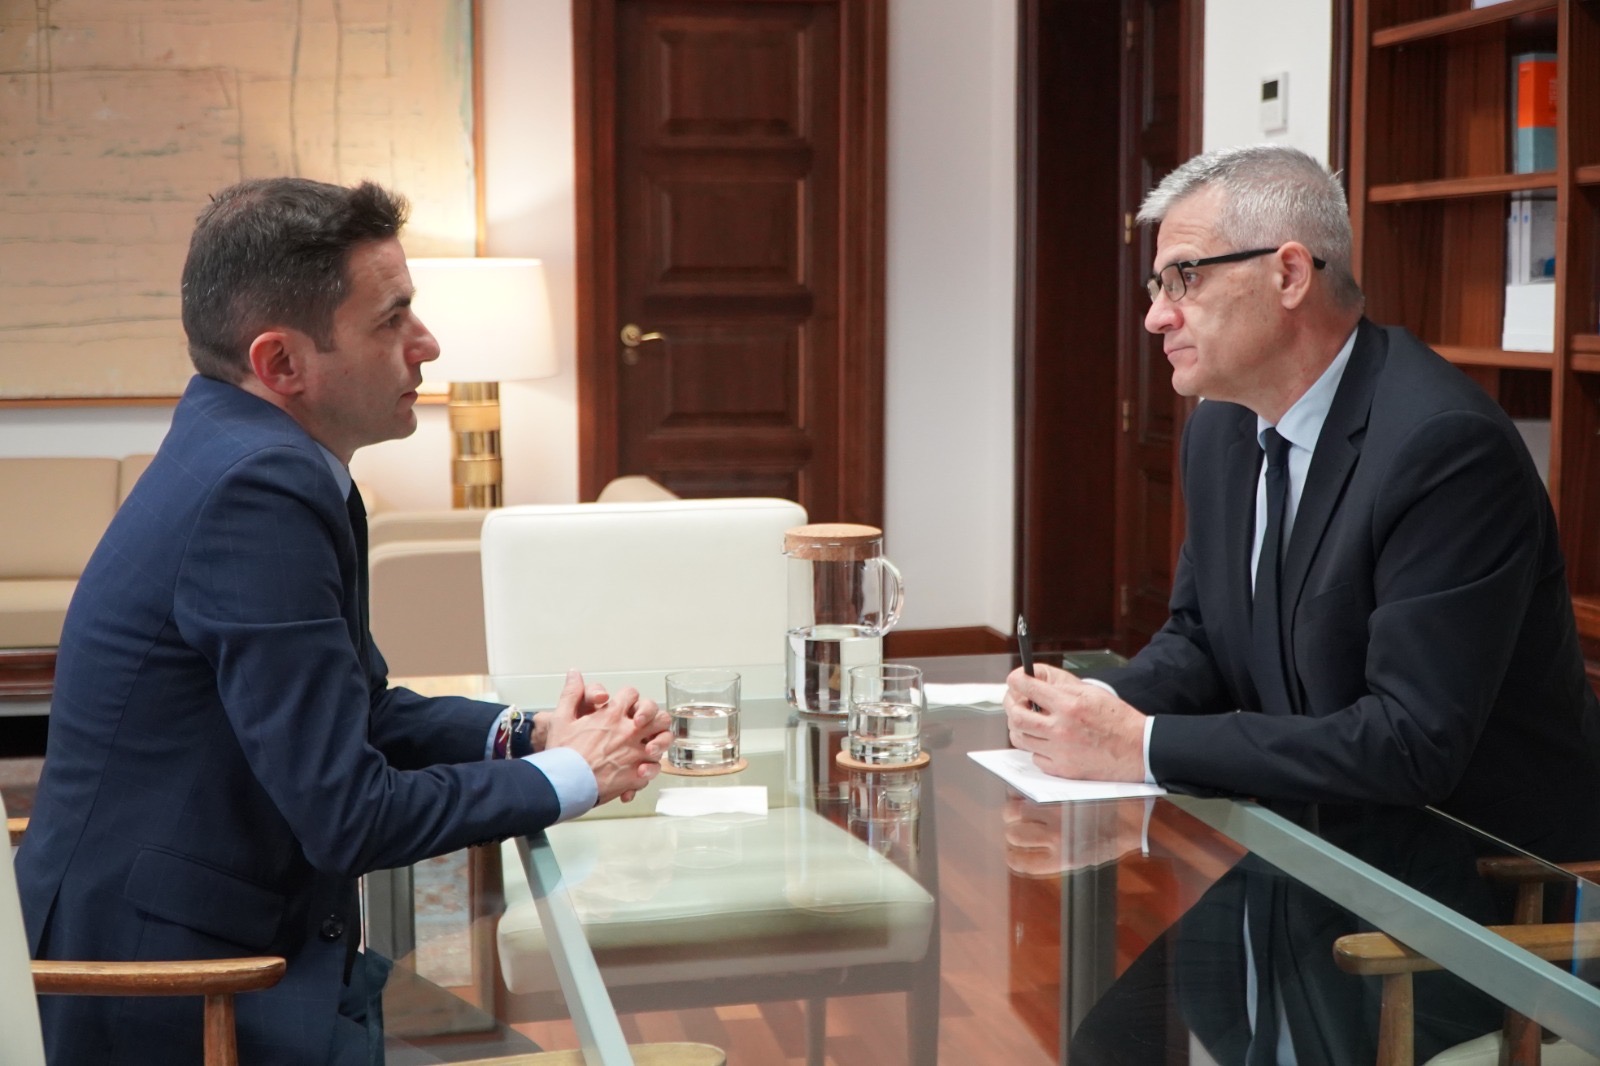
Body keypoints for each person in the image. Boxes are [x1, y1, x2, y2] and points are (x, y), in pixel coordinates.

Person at [14, 177, 673, 1065]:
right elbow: (350, 816)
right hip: (182, 994)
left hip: (244, 944)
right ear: (282, 362)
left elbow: (358, 711)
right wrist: (571, 775)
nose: (427, 344)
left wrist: (528, 733)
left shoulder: (253, 452)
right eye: (390, 319)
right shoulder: (258, 490)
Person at [1003, 145, 1600, 1063]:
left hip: (1471, 905)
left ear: (1288, 273)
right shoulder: (1222, 430)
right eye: (1158, 283)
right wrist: (1096, 712)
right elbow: (1203, 638)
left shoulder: (1442, 447)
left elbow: (1410, 745)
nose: (1157, 314)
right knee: (1110, 1049)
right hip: (1313, 857)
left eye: (1184, 278)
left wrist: (1143, 746)